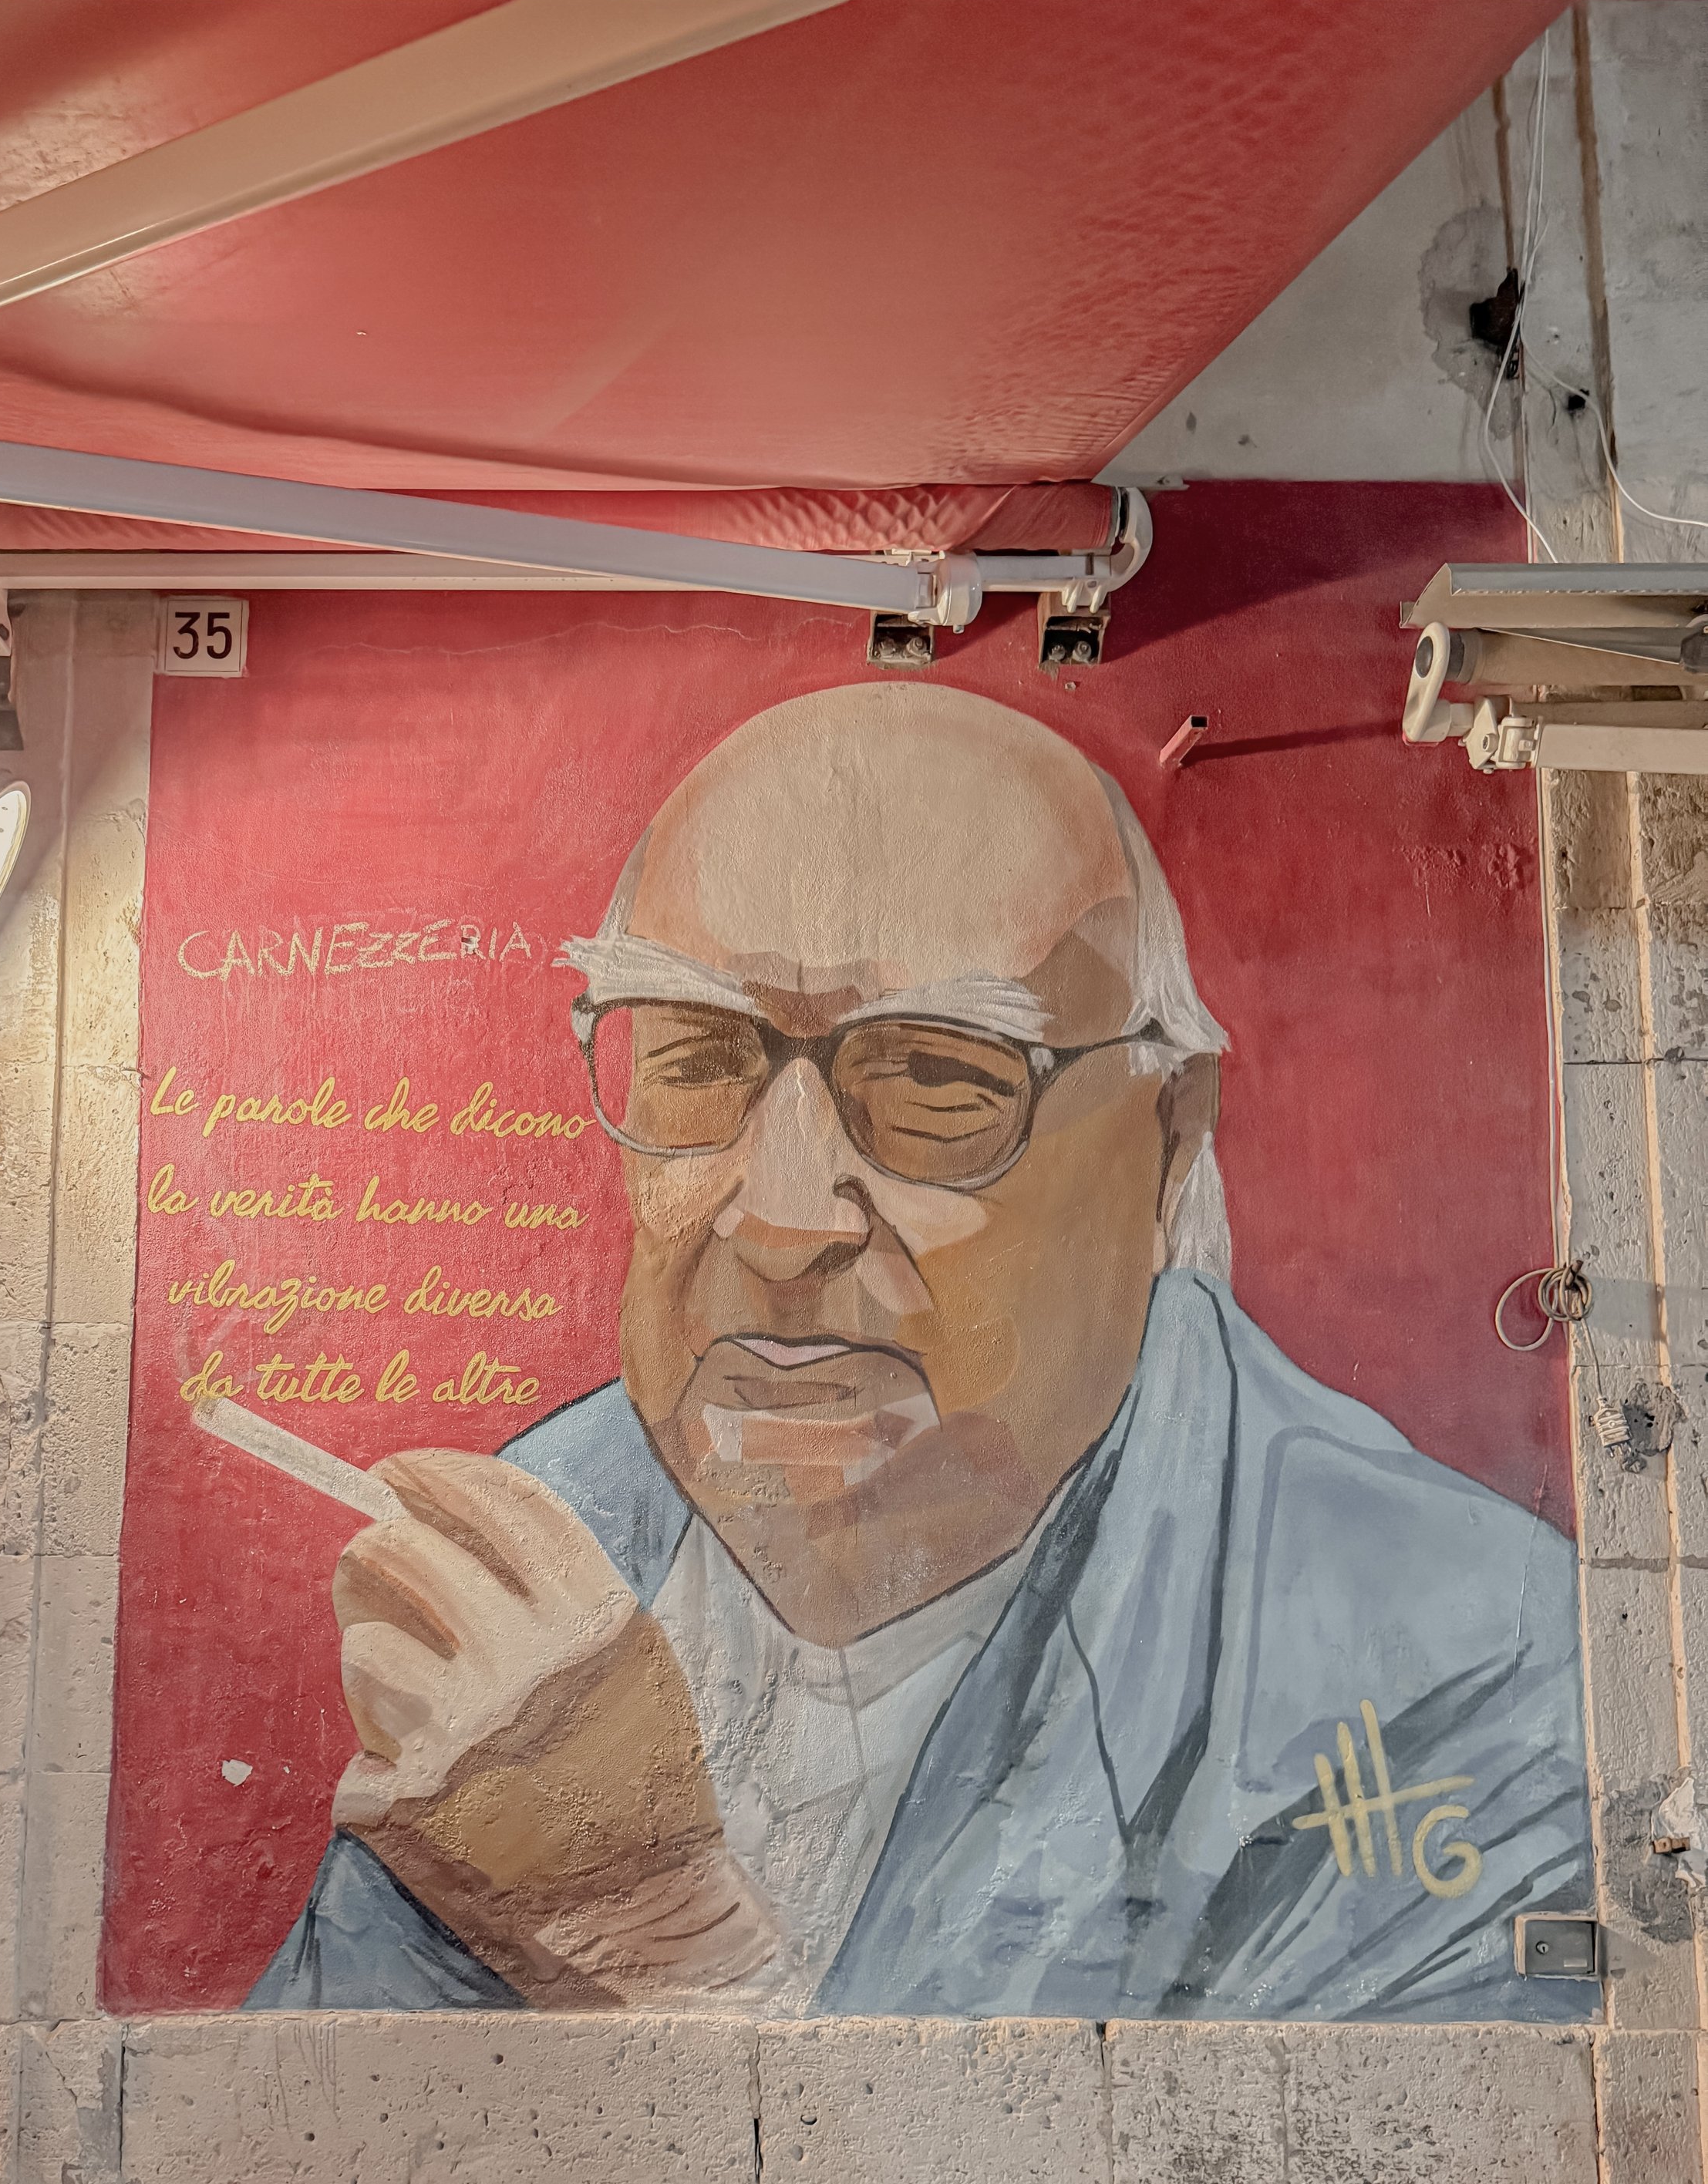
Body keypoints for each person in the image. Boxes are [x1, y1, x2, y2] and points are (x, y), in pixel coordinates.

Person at [248, 682, 1592, 2021]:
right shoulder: (556, 1545)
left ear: (1171, 1144)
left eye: (941, 1080)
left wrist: (636, 1927)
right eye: (700, 1059)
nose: (780, 1217)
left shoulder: (1469, 1679)